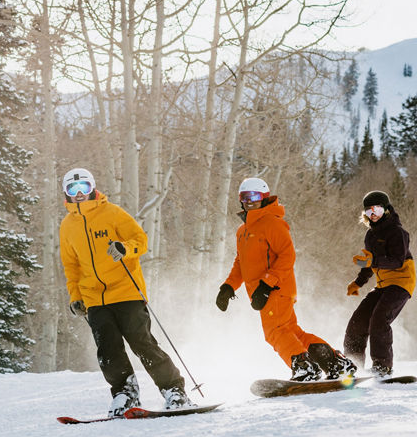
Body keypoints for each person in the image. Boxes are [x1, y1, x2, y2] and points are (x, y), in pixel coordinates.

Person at [58, 168, 193, 416]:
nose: (79, 195)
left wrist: (124, 248)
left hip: (126, 291)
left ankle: (174, 390)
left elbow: (140, 240)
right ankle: (125, 393)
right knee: (108, 350)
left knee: (142, 343)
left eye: (83, 189)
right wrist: (75, 296)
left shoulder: (112, 212)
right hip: (94, 297)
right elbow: (71, 265)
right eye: (73, 190)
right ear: (66, 193)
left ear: (92, 188)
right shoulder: (67, 226)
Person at [215, 177, 356, 381]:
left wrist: (266, 284)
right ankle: (336, 364)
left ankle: (304, 367)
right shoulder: (243, 231)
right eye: (244, 197)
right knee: (292, 332)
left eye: (254, 196)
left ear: (264, 198)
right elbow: (240, 263)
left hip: (275, 289)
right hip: (262, 292)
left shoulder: (272, 223)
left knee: (275, 332)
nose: (249, 201)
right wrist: (228, 287)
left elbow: (288, 255)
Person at [343, 191, 416, 377]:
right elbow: (370, 263)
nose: (372, 214)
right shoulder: (370, 235)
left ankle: (382, 366)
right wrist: (357, 283)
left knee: (379, 320)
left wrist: (372, 261)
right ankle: (352, 367)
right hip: (383, 285)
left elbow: (397, 261)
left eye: (376, 209)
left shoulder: (398, 233)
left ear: (386, 209)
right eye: (368, 211)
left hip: (401, 283)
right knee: (357, 323)